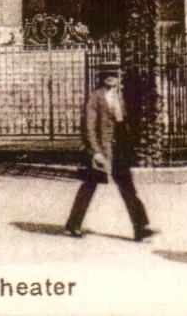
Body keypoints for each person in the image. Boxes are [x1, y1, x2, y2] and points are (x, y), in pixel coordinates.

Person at [64, 68, 156, 242]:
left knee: (127, 187)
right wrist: (96, 151)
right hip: (102, 151)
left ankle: (140, 228)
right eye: (108, 75)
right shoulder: (95, 97)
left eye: (114, 75)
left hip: (119, 150)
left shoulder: (119, 97)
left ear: (119, 77)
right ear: (102, 78)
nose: (111, 78)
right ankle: (73, 224)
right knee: (89, 186)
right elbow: (88, 127)